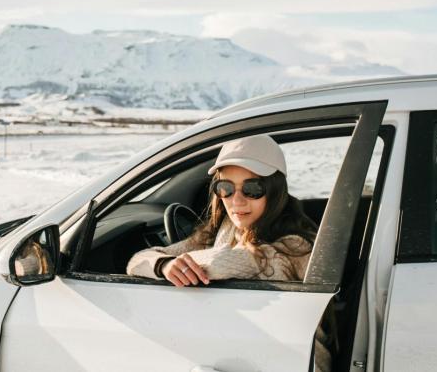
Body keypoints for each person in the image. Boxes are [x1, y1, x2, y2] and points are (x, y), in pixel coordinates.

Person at [126, 134, 332, 371]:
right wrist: (163, 264)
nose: (237, 200)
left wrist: (180, 263)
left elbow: (221, 263)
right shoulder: (224, 228)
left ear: (275, 190)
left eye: (252, 189)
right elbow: (136, 261)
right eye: (225, 188)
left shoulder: (295, 245)